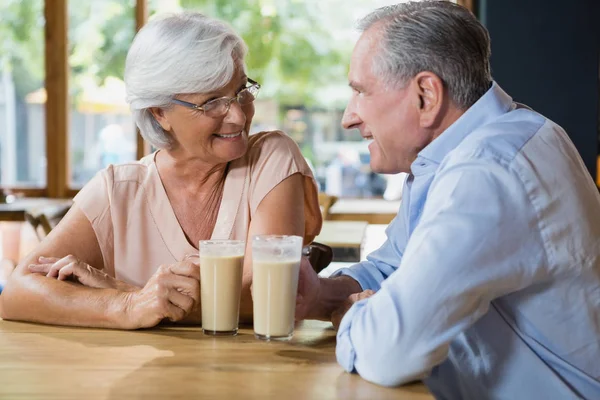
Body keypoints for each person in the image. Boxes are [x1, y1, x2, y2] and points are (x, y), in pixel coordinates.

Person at [295, 2, 600, 398]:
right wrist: (321, 294)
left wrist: (358, 315)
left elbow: (389, 352)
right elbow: (391, 268)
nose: (348, 117)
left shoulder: (487, 172)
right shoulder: (458, 154)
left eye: (360, 92)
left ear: (426, 95)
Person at [0, 12, 322, 329]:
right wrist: (126, 306)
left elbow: (262, 298)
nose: (238, 116)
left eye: (241, 91)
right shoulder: (118, 191)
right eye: (212, 102)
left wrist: (132, 293)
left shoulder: (271, 158)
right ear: (159, 113)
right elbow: (16, 293)